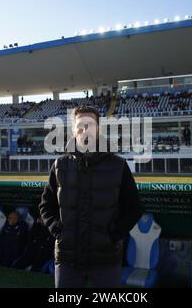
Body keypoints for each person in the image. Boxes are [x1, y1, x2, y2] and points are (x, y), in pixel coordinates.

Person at [39, 106, 144, 288]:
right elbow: (46, 206)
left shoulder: (118, 165)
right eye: (80, 126)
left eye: (90, 125)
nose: (85, 130)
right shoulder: (59, 165)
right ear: (73, 130)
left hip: (106, 258)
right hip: (67, 257)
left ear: (99, 129)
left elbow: (133, 207)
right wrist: (59, 231)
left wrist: (113, 234)